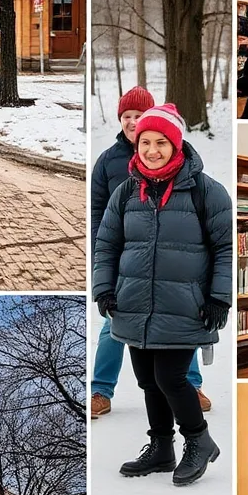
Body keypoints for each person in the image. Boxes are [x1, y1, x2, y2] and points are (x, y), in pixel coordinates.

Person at [93, 105, 232, 487]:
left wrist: (220, 297)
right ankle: (161, 447)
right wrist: (104, 287)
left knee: (171, 377)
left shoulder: (207, 191)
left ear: (176, 143)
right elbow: (107, 244)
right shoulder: (126, 191)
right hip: (133, 302)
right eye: (144, 142)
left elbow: (225, 249)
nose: (152, 150)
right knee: (147, 380)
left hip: (185, 305)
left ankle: (199, 440)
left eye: (160, 142)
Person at [89, 86, 208, 420]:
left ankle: (191, 384)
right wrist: (103, 256)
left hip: (168, 256)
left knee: (181, 320)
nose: (132, 122)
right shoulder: (108, 161)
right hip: (126, 259)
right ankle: (100, 389)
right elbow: (98, 211)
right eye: (126, 116)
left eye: (138, 116)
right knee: (112, 324)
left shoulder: (177, 159)